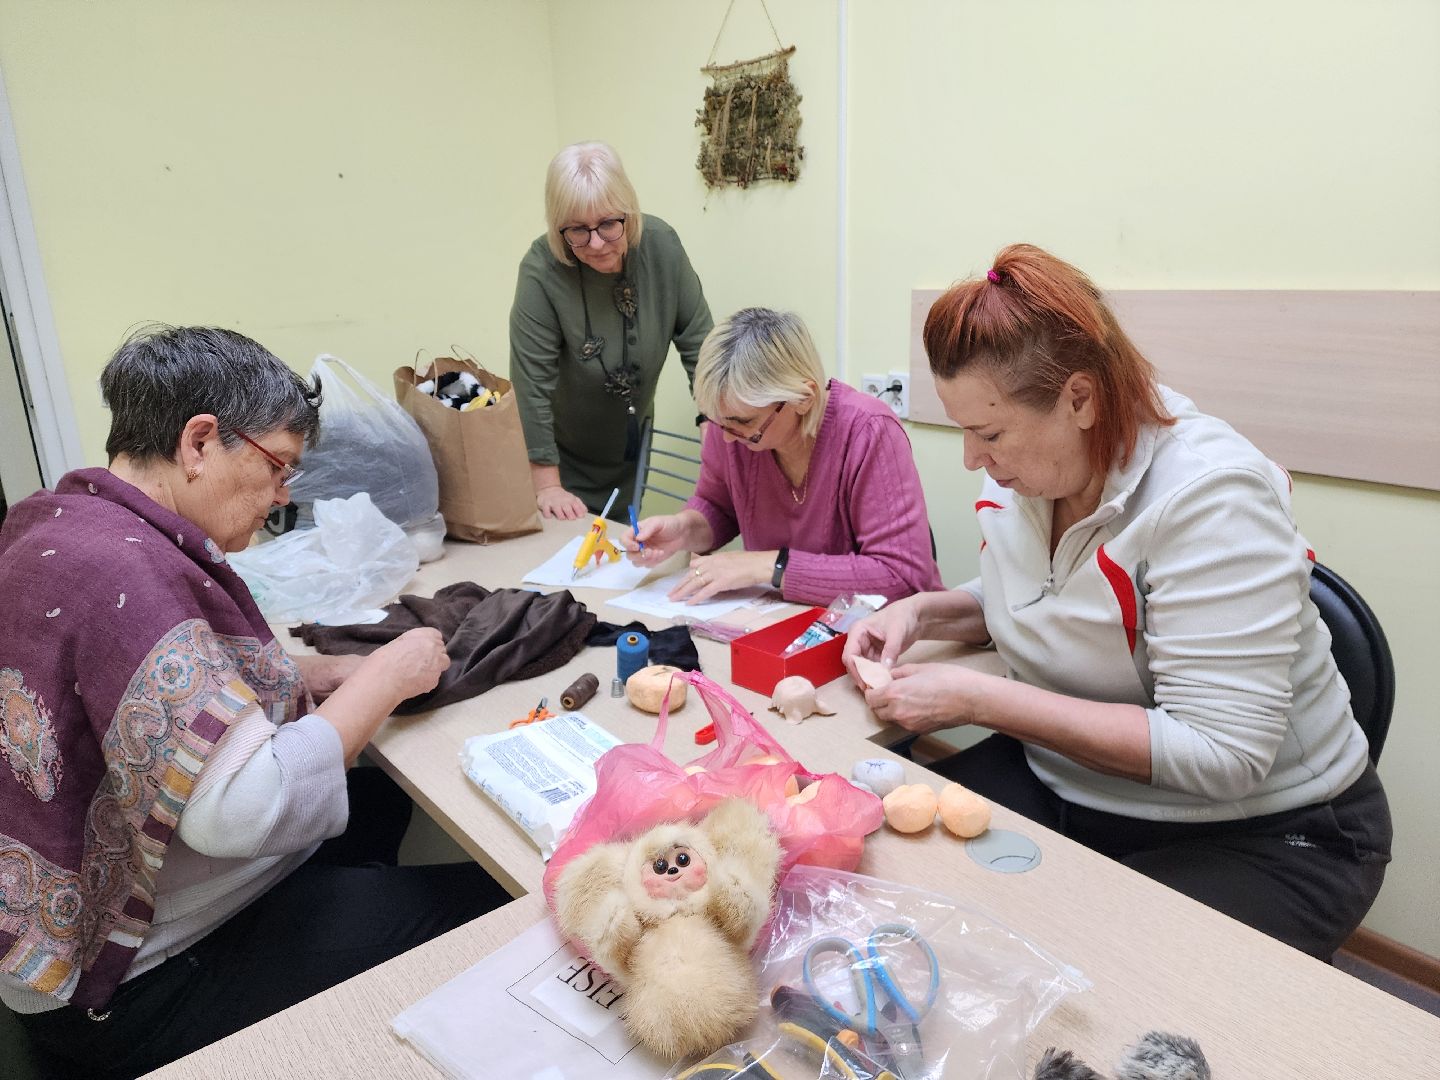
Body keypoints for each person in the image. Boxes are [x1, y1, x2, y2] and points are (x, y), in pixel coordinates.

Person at [842, 245, 1392, 959]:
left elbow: (1224, 752)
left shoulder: (1210, 498)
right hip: (1076, 784)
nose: (974, 461)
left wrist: (979, 702)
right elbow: (1049, 593)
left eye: (990, 433)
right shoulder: (1032, 476)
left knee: (1090, 992)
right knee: (881, 878)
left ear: (1080, 398)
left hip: (1267, 832)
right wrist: (924, 611)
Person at [0, 326, 511, 1079]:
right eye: (279, 468)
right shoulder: (130, 574)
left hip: (57, 951)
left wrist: (306, 669)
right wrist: (386, 677)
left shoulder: (58, 524)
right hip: (135, 990)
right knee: (491, 903)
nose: (282, 497)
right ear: (200, 441)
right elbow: (240, 809)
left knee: (381, 805)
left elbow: (120, 685)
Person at [624, 308, 943, 607]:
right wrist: (683, 529)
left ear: (803, 399)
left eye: (743, 423)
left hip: (888, 634)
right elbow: (719, 507)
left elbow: (901, 578)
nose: (726, 437)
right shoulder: (733, 425)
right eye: (718, 421)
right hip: (785, 618)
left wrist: (770, 566)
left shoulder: (869, 432)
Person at [510, 141, 713, 521]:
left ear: (629, 209)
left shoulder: (661, 246)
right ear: (558, 227)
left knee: (616, 552)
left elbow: (701, 345)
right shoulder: (541, 272)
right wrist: (547, 484)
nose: (597, 243)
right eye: (578, 231)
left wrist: (712, 422)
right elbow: (531, 383)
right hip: (558, 460)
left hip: (629, 449)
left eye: (608, 224)